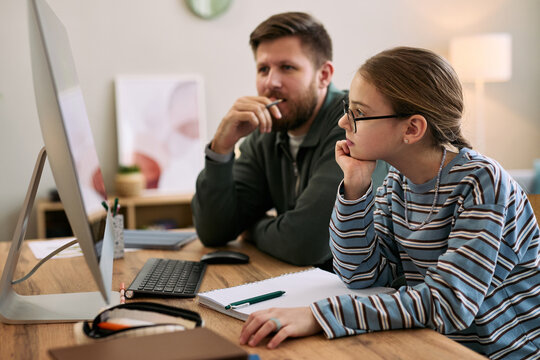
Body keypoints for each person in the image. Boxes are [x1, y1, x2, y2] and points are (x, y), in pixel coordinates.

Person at [238, 47, 540, 359]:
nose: (343, 121)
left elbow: (448, 304)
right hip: (428, 345)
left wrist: (319, 315)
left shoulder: (481, 182)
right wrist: (355, 187)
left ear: (412, 129)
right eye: (347, 109)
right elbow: (361, 275)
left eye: (359, 113)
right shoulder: (397, 182)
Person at [191, 12, 388, 267]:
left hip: (370, 297)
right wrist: (221, 148)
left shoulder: (353, 126)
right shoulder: (266, 134)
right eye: (263, 69)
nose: (270, 82)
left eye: (287, 67)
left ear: (324, 75)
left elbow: (304, 244)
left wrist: (252, 228)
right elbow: (214, 232)